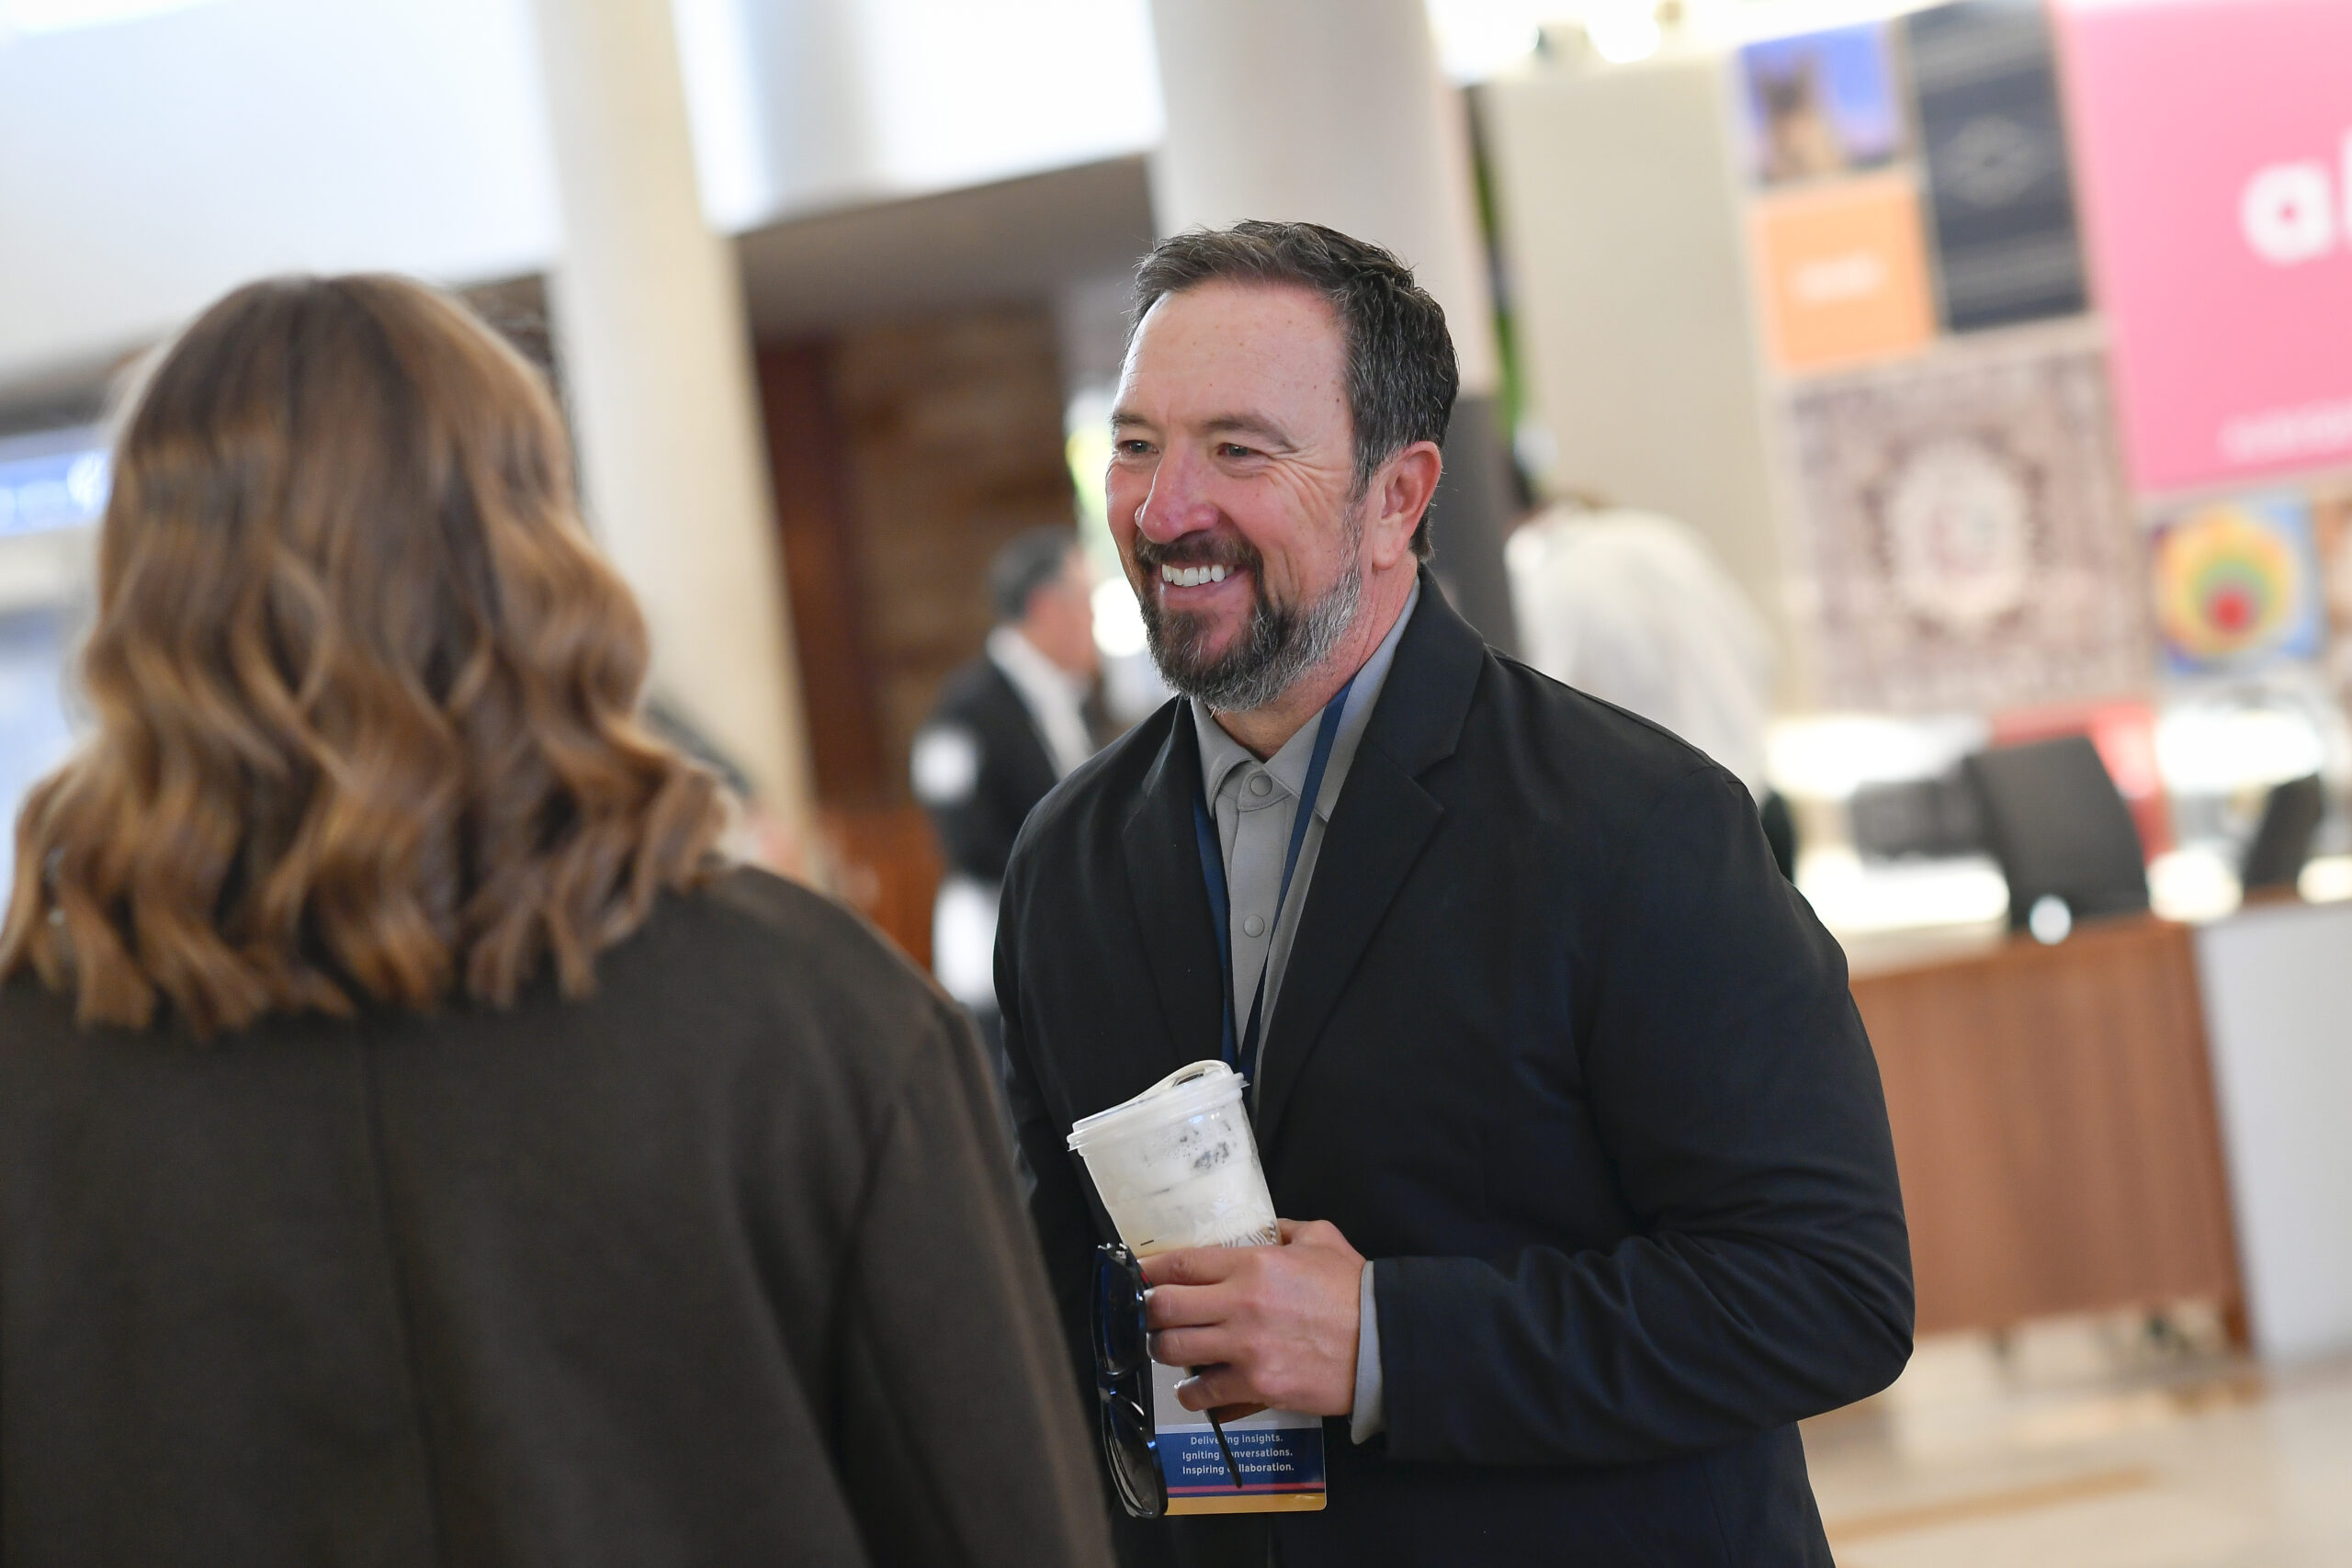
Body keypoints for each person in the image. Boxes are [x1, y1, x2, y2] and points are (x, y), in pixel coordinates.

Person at [0, 275, 1112, 1568]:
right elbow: (1001, 1519)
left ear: (143, 600)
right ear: (533, 551)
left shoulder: (35, 1071)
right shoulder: (814, 1017)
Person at [996, 222, 1912, 1566]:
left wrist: (1383, 1340)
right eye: (1136, 445)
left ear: (1398, 496)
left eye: (1238, 449)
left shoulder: (1636, 825)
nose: (1164, 507)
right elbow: (1051, 1292)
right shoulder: (1067, 860)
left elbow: (1827, 1291)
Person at [1507, 503, 1801, 878]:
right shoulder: (1665, 539)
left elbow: (1547, 729)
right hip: (1760, 811)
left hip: (1672, 847)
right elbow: (1760, 651)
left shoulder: (1545, 584)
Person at [912, 528, 1104, 1046]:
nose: (1092, 619)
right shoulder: (965, 711)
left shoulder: (1072, 701)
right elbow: (967, 841)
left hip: (1072, 942)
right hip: (999, 949)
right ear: (1046, 607)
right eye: (1085, 600)